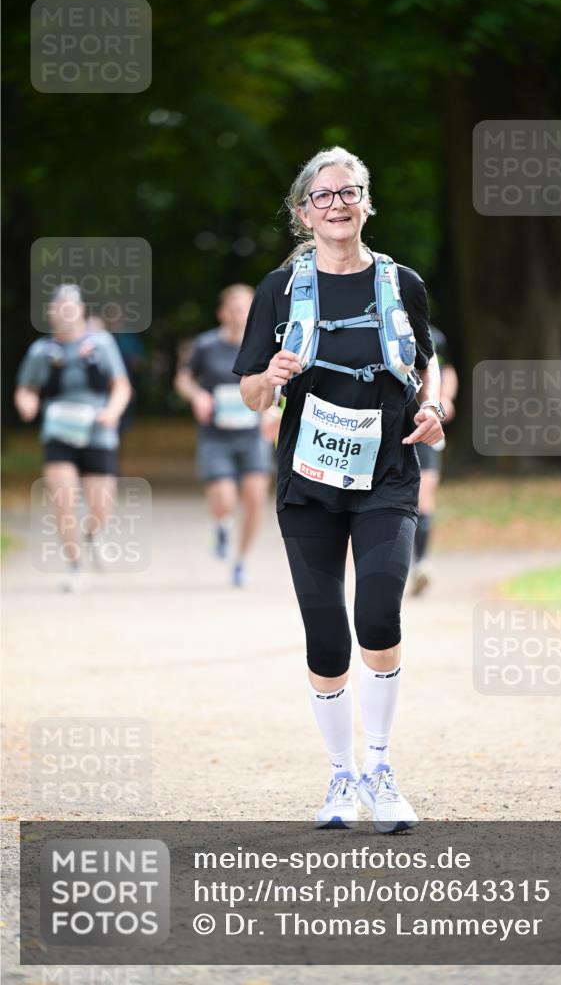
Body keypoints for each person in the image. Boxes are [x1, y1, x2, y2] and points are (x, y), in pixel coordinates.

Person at [234, 147, 445, 833]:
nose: (335, 204)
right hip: (308, 480)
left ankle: (380, 769)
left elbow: (427, 364)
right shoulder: (278, 290)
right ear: (302, 212)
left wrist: (431, 409)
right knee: (326, 637)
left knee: (378, 617)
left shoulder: (401, 281)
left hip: (386, 474)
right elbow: (250, 396)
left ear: (365, 202)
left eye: (347, 192)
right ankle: (340, 775)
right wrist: (272, 375)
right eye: (321, 196)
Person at [14, 284, 131, 591]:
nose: (65, 312)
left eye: (71, 306)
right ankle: (75, 564)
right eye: (58, 306)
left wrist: (112, 412)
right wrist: (26, 402)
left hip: (97, 432)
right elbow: (26, 387)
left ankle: (94, 531)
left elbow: (121, 385)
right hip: (59, 432)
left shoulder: (100, 344)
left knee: (101, 504)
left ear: (81, 310)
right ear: (51, 313)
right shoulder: (41, 351)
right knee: (64, 500)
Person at [174, 284, 274, 586]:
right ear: (222, 312)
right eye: (233, 307)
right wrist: (197, 396)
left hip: (253, 434)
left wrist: (274, 409)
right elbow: (183, 378)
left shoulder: (265, 344)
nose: (238, 313)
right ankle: (222, 524)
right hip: (216, 435)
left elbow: (281, 383)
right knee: (224, 498)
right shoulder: (206, 346)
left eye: (244, 307)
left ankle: (241, 561)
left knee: (256, 499)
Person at [411, 325, 458, 595]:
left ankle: (422, 563)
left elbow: (447, 370)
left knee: (424, 491)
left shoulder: (433, 336)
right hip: (388, 424)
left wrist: (445, 399)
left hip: (426, 422)